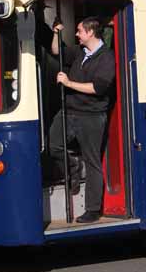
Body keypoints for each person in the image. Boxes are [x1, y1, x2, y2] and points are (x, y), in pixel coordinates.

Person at [48, 16, 116, 223]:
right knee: (54, 145)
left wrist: (68, 83)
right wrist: (56, 32)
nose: (76, 35)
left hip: (92, 116)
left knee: (93, 161)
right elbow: (56, 51)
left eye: (79, 31)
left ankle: (93, 210)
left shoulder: (107, 58)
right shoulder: (80, 52)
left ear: (90, 33)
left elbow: (97, 88)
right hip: (69, 111)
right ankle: (73, 167)